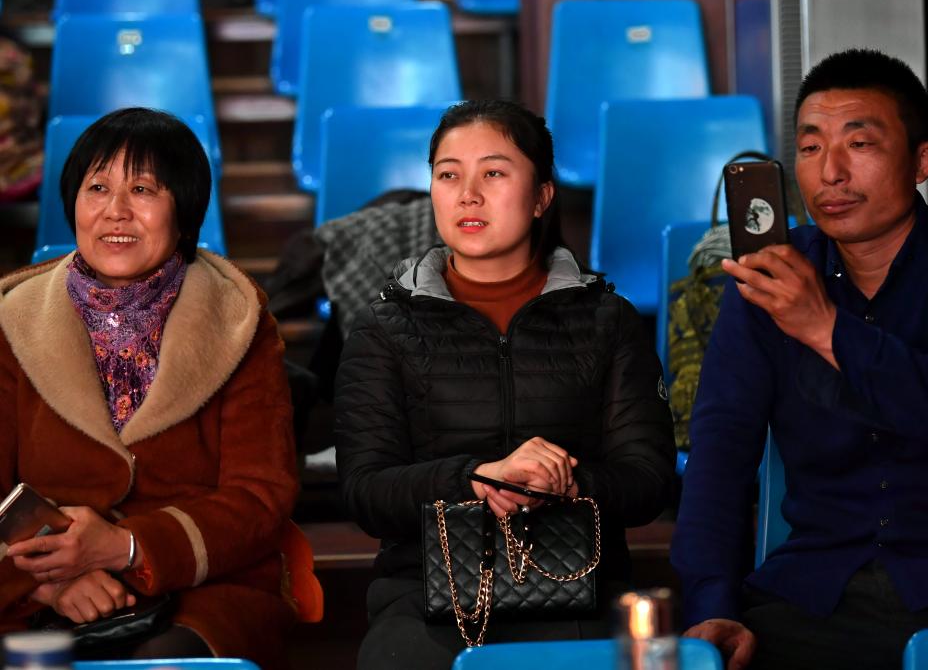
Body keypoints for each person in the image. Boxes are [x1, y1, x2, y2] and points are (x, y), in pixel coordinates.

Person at [671, 48, 928, 670]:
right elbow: (721, 454)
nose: (830, 172)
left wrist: (825, 328)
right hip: (820, 589)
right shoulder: (768, 279)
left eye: (859, 144)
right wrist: (713, 603)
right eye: (810, 148)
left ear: (921, 161)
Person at [335, 99, 676, 670]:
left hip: (579, 583)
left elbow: (649, 481)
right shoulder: (384, 328)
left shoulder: (607, 320)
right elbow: (365, 491)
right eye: (448, 175)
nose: (468, 195)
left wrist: (563, 481)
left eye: (493, 173)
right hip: (427, 594)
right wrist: (475, 479)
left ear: (541, 196)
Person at [0, 108, 301, 667]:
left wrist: (126, 547)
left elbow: (261, 498)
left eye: (142, 189)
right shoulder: (11, 319)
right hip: (33, 592)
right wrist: (51, 583)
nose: (115, 210)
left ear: (184, 212)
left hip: (202, 591)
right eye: (97, 188)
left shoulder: (239, 319)